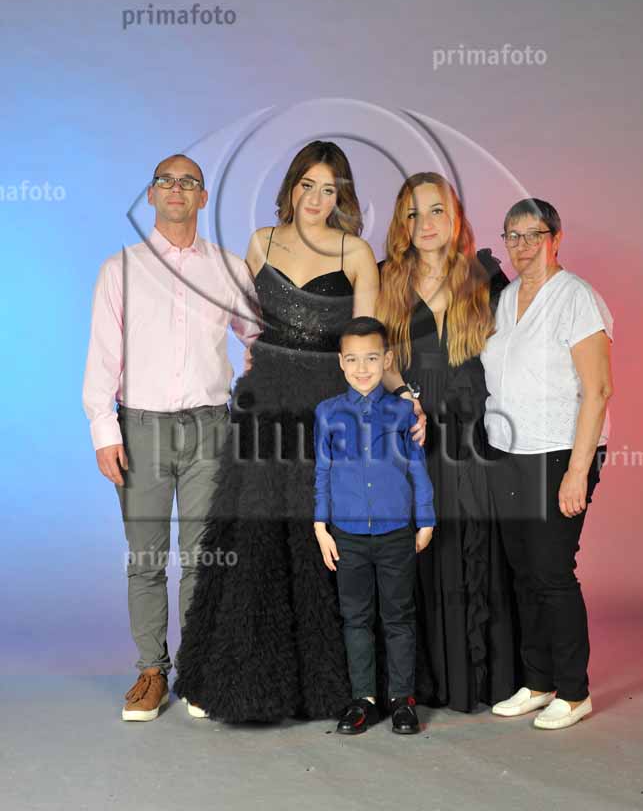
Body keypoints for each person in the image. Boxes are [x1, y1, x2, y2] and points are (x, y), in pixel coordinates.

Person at [173, 141, 426, 722]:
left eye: (329, 189)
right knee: (255, 543)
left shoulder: (356, 252)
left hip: (326, 409)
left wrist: (405, 393)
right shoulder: (260, 242)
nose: (316, 198)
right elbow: (244, 327)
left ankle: (331, 685)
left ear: (342, 197)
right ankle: (238, 679)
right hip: (264, 408)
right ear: (290, 188)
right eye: (307, 186)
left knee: (323, 542)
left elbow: (369, 343)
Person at [82, 154, 261, 721]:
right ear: (152, 195)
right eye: (166, 180)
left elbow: (259, 337)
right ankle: (151, 672)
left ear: (203, 197)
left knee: (205, 558)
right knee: (147, 557)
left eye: (188, 182)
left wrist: (255, 387)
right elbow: (102, 357)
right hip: (141, 430)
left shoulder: (229, 269)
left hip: (211, 428)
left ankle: (198, 670)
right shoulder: (121, 269)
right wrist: (103, 430)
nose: (176, 189)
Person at [376, 172, 519, 712]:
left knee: (475, 544)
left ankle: (482, 680)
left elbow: (517, 351)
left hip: (476, 429)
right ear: (402, 223)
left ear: (455, 216)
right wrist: (403, 396)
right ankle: (425, 680)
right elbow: (378, 357)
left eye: (436, 210)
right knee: (420, 548)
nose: (426, 223)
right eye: (413, 213)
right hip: (412, 427)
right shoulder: (386, 278)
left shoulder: (484, 276)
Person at [482, 198, 613, 730]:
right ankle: (538, 683)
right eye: (512, 236)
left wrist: (578, 471)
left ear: (555, 238)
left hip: (559, 452)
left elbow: (598, 390)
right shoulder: (505, 298)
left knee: (553, 571)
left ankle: (575, 691)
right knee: (522, 572)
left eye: (533, 235)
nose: (522, 246)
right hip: (508, 452)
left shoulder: (577, 298)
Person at [314, 317, 436, 735]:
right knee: (356, 619)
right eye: (352, 359)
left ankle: (402, 700)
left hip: (396, 533)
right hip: (347, 535)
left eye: (371, 358)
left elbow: (417, 468)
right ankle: (363, 699)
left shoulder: (403, 412)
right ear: (340, 362)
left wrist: (426, 519)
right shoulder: (328, 413)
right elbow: (322, 472)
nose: (362, 368)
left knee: (398, 617)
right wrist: (320, 526)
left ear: (387, 359)